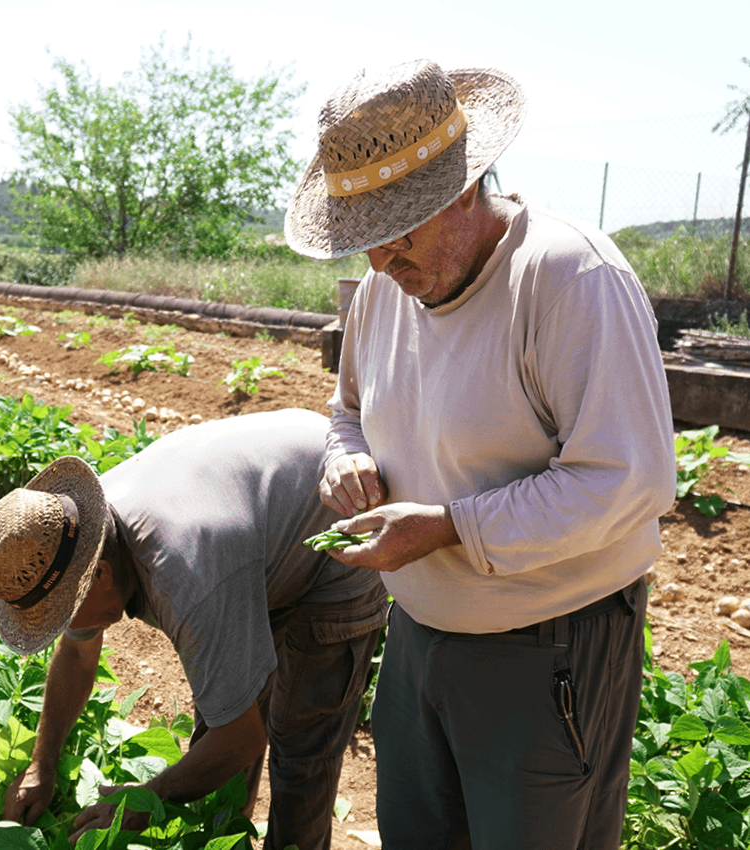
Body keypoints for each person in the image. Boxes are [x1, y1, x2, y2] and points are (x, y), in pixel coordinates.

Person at [284, 59, 676, 849]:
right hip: (420, 637)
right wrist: (343, 459)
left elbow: (628, 479)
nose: (380, 264)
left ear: (462, 191)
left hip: (549, 646)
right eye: (363, 243)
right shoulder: (384, 296)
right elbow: (347, 415)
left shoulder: (566, 277)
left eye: (394, 235)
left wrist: (450, 527)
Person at [0, 408, 388, 849]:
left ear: (100, 577)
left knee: (301, 748)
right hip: (259, 534)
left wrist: (148, 797)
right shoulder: (79, 536)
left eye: (63, 614)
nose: (64, 628)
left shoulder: (186, 578)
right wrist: (44, 762)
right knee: (221, 723)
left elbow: (241, 738)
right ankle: (226, 837)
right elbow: (77, 654)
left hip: (338, 526)